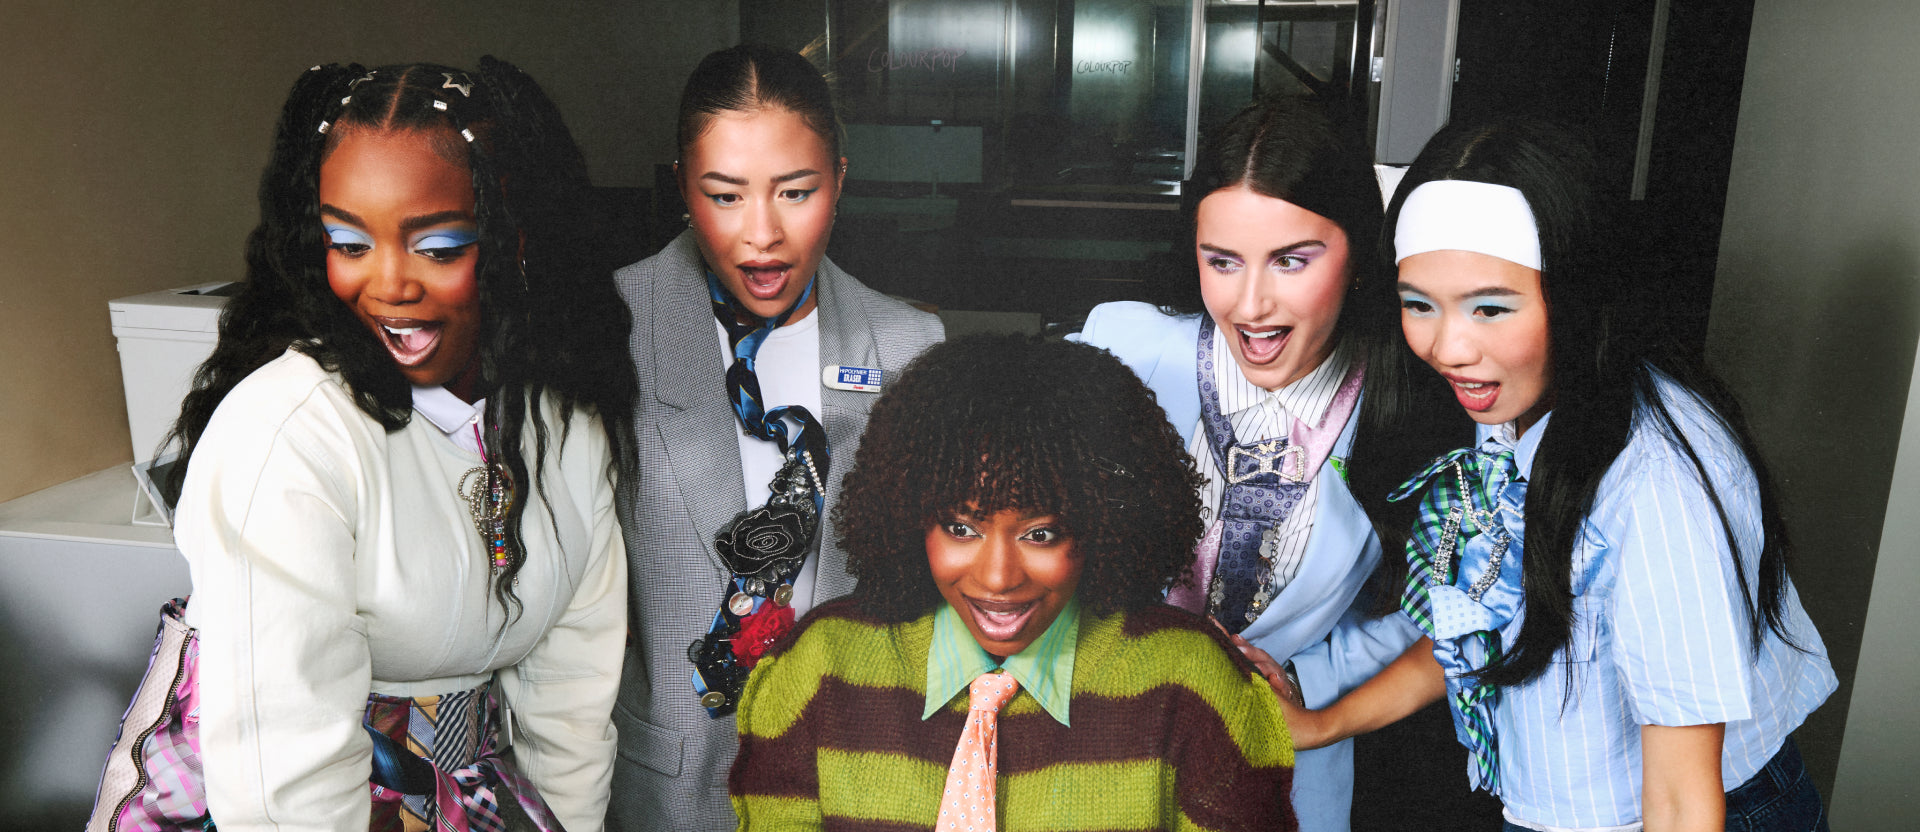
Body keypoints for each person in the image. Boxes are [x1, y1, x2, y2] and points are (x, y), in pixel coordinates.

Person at [1273, 118, 1838, 832]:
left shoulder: (1656, 485)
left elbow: (1680, 801)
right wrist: (1324, 723)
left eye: (1490, 307)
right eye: (1419, 304)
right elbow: (1487, 617)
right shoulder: (1513, 393)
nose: (1448, 347)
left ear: (1574, 293)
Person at [160, 59, 635, 830]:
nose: (387, 285)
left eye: (438, 247)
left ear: (515, 240)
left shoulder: (561, 423)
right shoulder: (286, 438)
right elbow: (286, 787)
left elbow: (571, 706)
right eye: (348, 242)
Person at [729, 334, 1297, 831]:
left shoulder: (1192, 684)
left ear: (1106, 523)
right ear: (908, 513)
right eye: (961, 527)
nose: (997, 578)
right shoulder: (819, 669)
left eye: (1042, 533)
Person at [608, 43, 944, 830]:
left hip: (855, 780)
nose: (761, 235)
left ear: (842, 180)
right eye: (724, 196)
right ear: (682, 186)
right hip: (672, 786)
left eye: (797, 192)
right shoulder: (611, 328)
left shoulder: (909, 347)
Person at [1074, 96, 1424, 831]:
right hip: (1101, 743)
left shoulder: (1406, 401)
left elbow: (1444, 609)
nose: (1252, 304)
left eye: (1292, 261)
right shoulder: (1121, 351)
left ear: (1358, 252)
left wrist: (1306, 678)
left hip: (1293, 766)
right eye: (1222, 261)